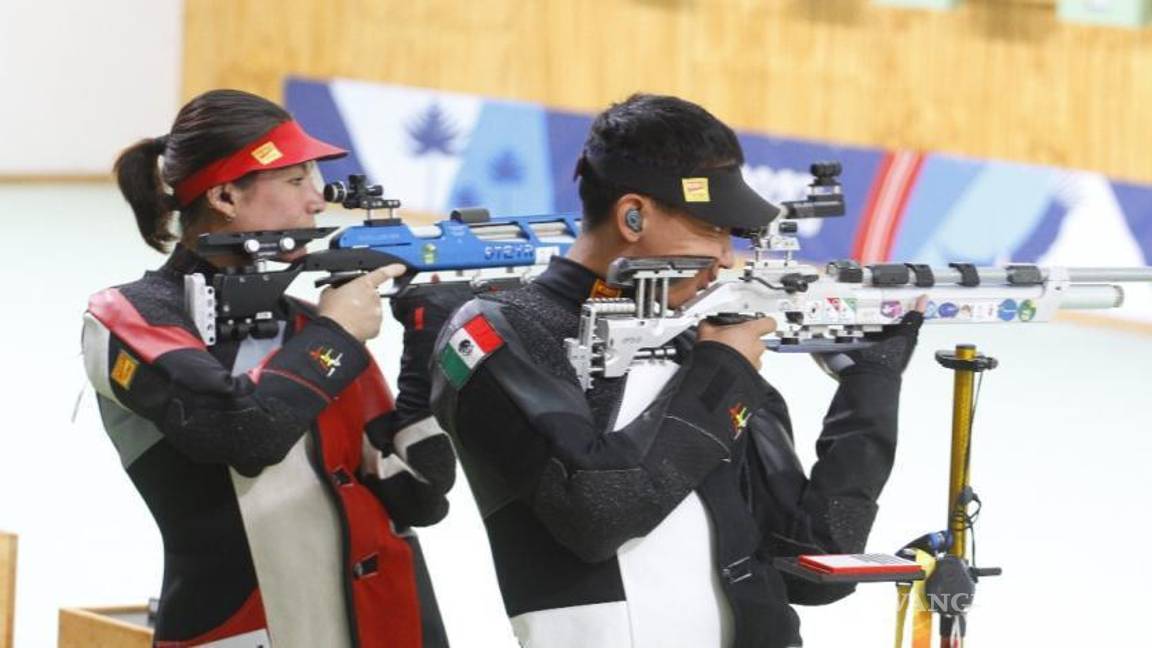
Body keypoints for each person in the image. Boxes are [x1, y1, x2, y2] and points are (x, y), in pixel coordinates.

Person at [427, 94, 925, 648]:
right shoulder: (501, 329)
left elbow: (815, 564)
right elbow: (598, 514)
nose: (727, 258)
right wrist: (725, 370)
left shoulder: (702, 339)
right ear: (632, 216)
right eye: (712, 228)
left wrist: (871, 384)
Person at [81, 89, 455, 648]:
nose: (319, 198)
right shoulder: (128, 315)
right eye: (295, 179)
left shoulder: (315, 331)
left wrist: (426, 348)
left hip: (383, 624)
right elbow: (241, 431)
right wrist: (336, 337)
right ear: (227, 195)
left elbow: (421, 497)